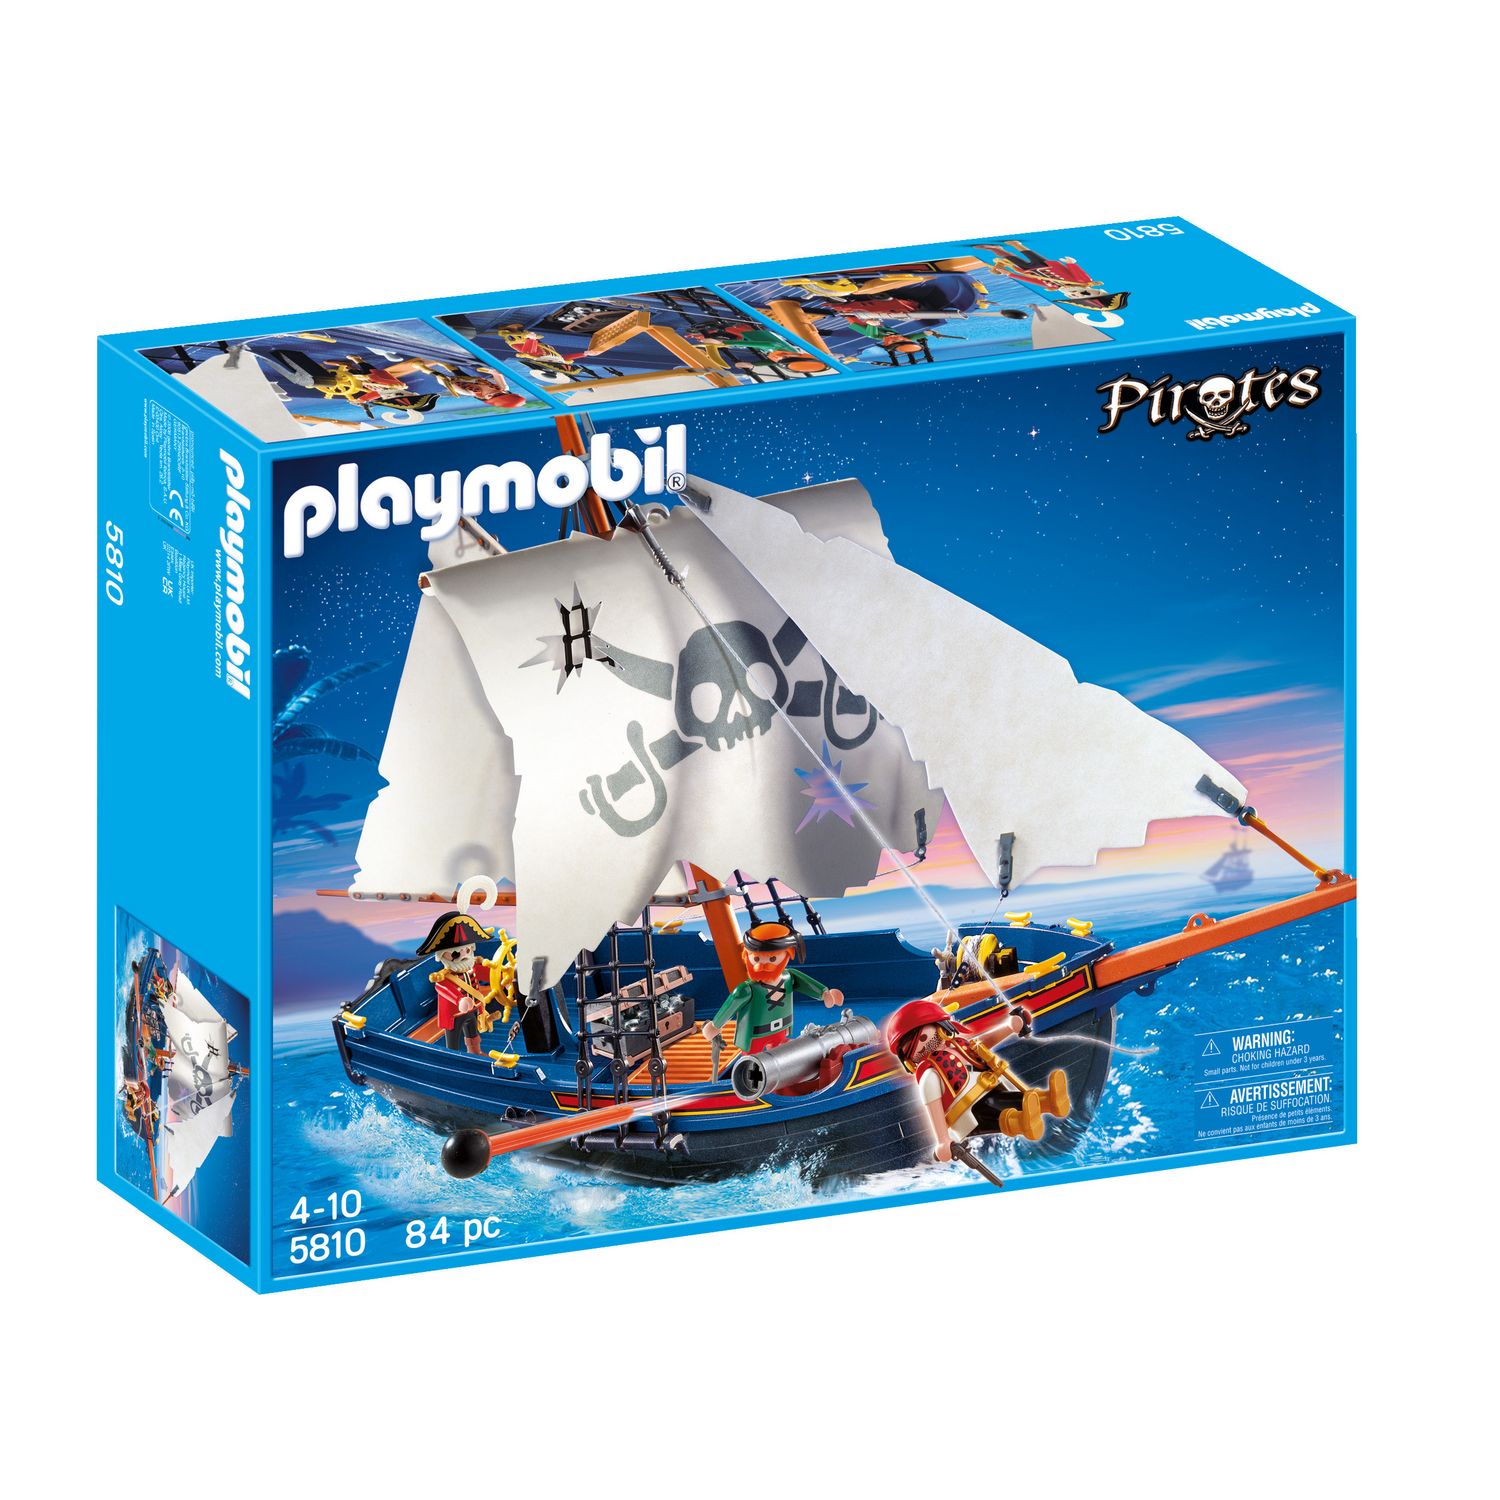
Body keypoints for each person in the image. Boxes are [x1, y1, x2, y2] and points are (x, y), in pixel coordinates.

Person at [884, 997, 1070, 1160]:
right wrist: (942, 1141)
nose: (923, 1046)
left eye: (924, 1037)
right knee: (1002, 1113)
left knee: (1018, 1100)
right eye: (912, 1049)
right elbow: (935, 1109)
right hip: (969, 1113)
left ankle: (1049, 1101)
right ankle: (1023, 1122)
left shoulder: (958, 1046)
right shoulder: (929, 1075)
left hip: (990, 1090)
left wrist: (1010, 1027)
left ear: (939, 1026)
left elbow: (983, 1044)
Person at [701, 922, 843, 1056]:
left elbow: (806, 984)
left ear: (788, 954)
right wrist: (715, 1025)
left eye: (772, 959)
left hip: (780, 1028)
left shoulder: (789, 977)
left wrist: (824, 993)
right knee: (752, 1057)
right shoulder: (746, 989)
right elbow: (731, 1005)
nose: (762, 965)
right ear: (746, 955)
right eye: (756, 959)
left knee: (781, 1050)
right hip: (755, 1034)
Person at [417, 912, 509, 1054]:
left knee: (473, 1034)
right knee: (452, 1041)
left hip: (473, 1009)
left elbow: (490, 974)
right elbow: (444, 989)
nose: (464, 956)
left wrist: (504, 979)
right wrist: (460, 1000)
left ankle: (475, 1052)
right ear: (442, 956)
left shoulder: (473, 967)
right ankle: (452, 1059)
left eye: (467, 950)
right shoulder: (443, 978)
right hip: (453, 1015)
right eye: (456, 954)